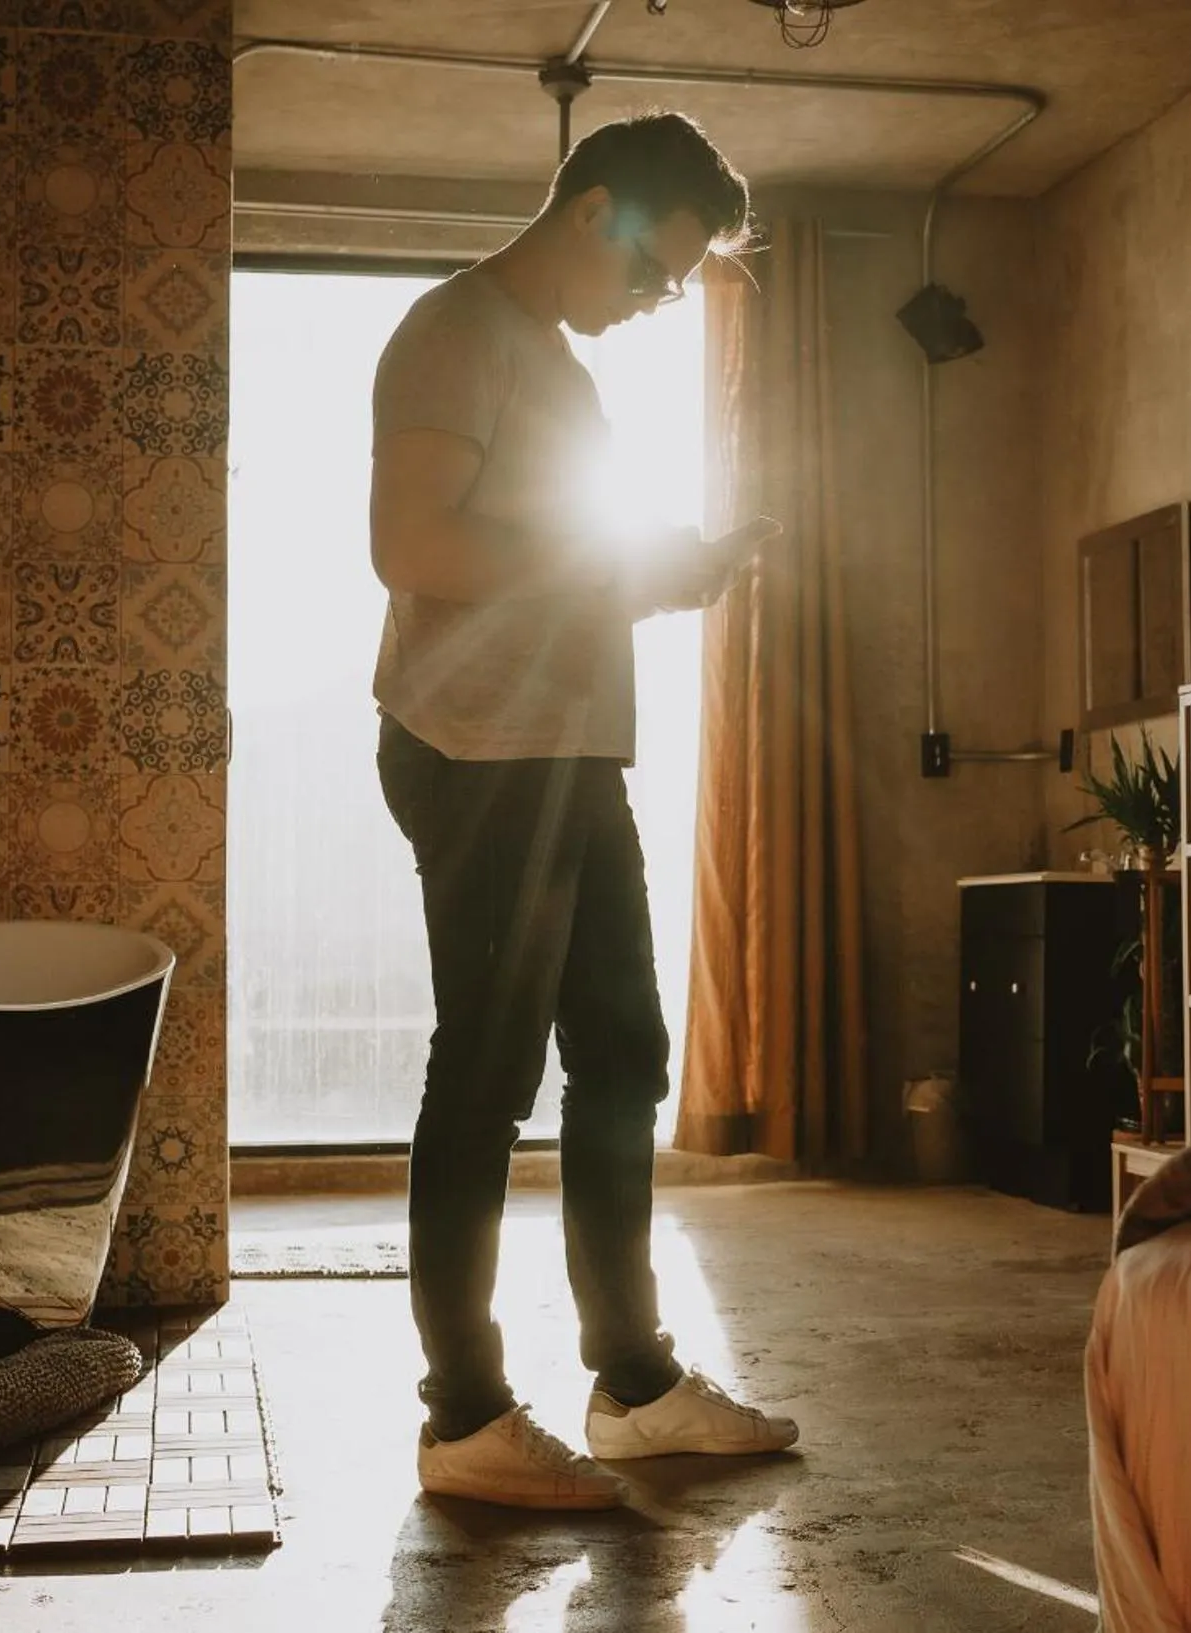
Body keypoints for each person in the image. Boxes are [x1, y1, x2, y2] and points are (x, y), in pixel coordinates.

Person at [369, 112, 798, 1511]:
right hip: (482, 753)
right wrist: (619, 570)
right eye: (657, 269)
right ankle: (466, 1420)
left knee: (623, 1059)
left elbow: (541, 566)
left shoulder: (554, 363)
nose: (660, 299)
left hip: (562, 756)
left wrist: (656, 572)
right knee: (487, 1080)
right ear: (593, 208)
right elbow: (412, 543)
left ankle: (637, 1388)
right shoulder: (459, 331)